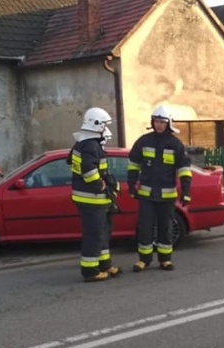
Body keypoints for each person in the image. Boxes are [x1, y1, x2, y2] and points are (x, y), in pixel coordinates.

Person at [127, 105, 192, 271]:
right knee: (145, 228)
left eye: (162, 122)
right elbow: (133, 164)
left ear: (168, 123)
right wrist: (131, 185)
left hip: (167, 196)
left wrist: (186, 192)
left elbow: (184, 169)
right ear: (152, 122)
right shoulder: (144, 141)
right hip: (146, 196)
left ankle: (165, 259)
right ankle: (144, 260)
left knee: (166, 228)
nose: (159, 125)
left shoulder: (176, 145)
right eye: (156, 121)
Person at [68, 107, 122, 282]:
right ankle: (90, 271)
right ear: (96, 124)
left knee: (103, 233)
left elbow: (71, 162)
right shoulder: (90, 145)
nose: (106, 129)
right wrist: (101, 184)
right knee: (94, 234)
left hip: (95, 199)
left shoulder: (85, 143)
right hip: (91, 199)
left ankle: (104, 265)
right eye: (104, 125)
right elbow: (89, 172)